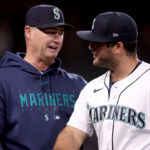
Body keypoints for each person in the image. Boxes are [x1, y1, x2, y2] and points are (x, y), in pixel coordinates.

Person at [53, 11, 150, 150]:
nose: (90, 46)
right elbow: (73, 134)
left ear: (118, 47)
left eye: (97, 42)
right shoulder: (91, 88)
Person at [0, 4, 87, 150]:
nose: (57, 39)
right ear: (28, 32)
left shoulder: (78, 84)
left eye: (60, 33)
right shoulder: (4, 80)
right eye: (50, 32)